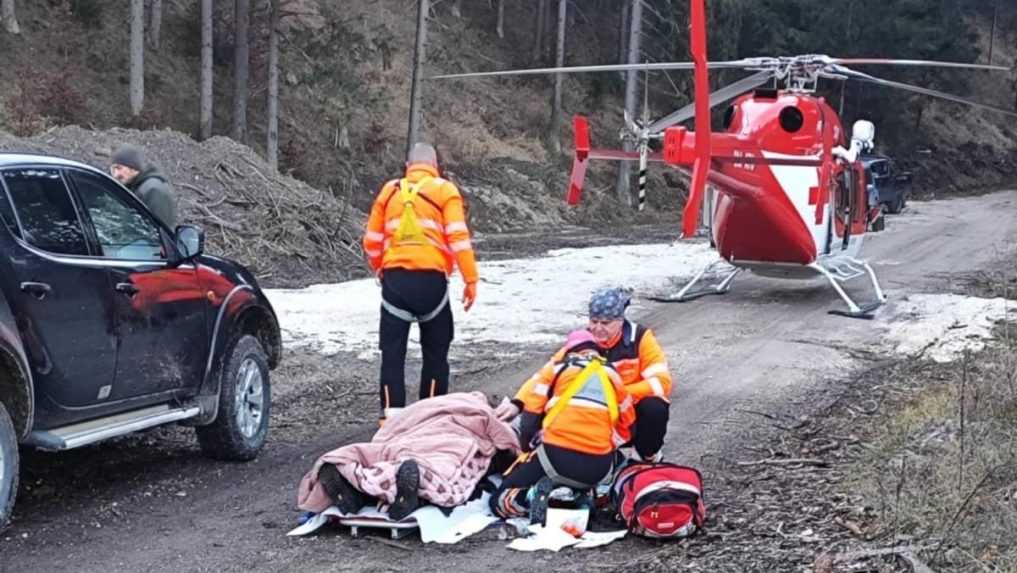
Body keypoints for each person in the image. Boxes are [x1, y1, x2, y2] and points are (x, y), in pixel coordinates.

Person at [362, 142, 479, 424]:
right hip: (432, 284)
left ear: (408, 166)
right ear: (435, 165)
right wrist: (470, 279)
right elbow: (458, 239)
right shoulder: (444, 190)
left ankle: (391, 418)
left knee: (392, 353)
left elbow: (372, 241)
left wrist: (381, 269)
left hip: (396, 281)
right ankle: (431, 416)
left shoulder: (390, 191)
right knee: (436, 353)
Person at [496, 287, 672, 463]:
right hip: (591, 414)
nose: (597, 329)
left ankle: (646, 456)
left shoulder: (640, 338)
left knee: (654, 407)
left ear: (620, 321)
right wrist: (517, 403)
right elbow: (545, 377)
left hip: (628, 414)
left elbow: (661, 382)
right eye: (594, 322)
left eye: (605, 323)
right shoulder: (582, 342)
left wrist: (615, 393)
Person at [490, 329, 634, 521]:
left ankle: (531, 499)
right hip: (598, 467)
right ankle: (577, 496)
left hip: (556, 459)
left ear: (569, 351)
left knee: (499, 501)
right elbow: (628, 425)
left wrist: (528, 449)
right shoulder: (613, 376)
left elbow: (530, 417)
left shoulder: (557, 369)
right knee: (614, 460)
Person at [109, 144, 177, 230]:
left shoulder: (153, 190)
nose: (115, 174)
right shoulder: (136, 186)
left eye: (119, 168)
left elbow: (158, 231)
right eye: (113, 169)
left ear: (133, 168)